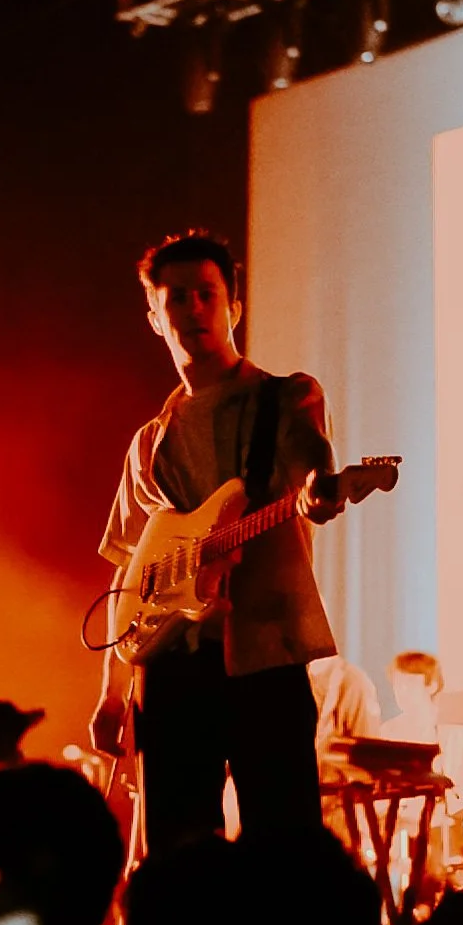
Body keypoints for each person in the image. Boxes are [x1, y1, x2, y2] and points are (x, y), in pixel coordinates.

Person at [90, 228, 348, 856]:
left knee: (285, 855)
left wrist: (324, 490)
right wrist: (111, 692)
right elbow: (129, 572)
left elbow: (319, 479)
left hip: (264, 655)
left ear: (233, 308)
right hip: (172, 669)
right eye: (175, 298)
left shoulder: (286, 397)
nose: (192, 309)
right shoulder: (148, 442)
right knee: (177, 862)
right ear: (155, 317)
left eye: (206, 294)